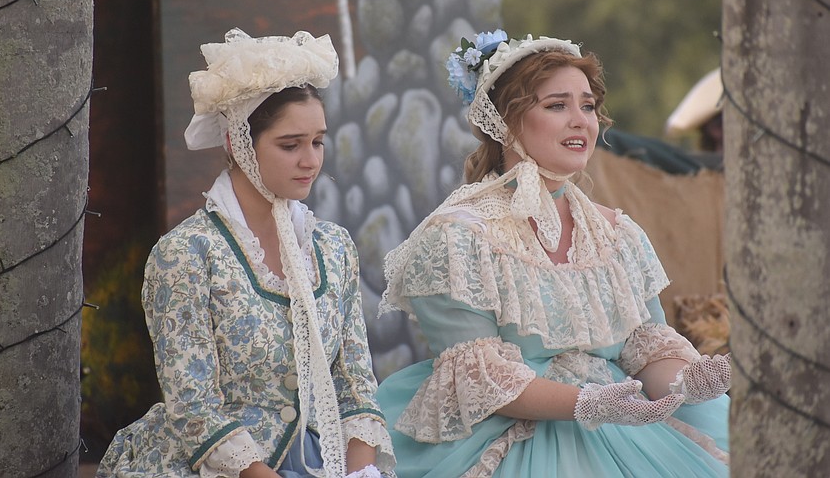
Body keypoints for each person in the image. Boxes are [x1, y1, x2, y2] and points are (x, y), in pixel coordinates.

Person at [376, 30, 730, 477]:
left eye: (587, 106)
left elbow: (646, 349)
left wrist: (686, 381)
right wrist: (589, 403)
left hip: (625, 430)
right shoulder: (458, 236)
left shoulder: (617, 235)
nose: (580, 120)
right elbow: (481, 380)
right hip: (510, 435)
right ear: (505, 121)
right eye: (556, 105)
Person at [97, 29, 395, 478]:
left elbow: (354, 382)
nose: (311, 161)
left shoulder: (333, 247)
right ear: (238, 144)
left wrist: (360, 472)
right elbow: (193, 405)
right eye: (290, 144)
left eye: (317, 141)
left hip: (322, 459)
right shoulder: (187, 254)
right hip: (222, 466)